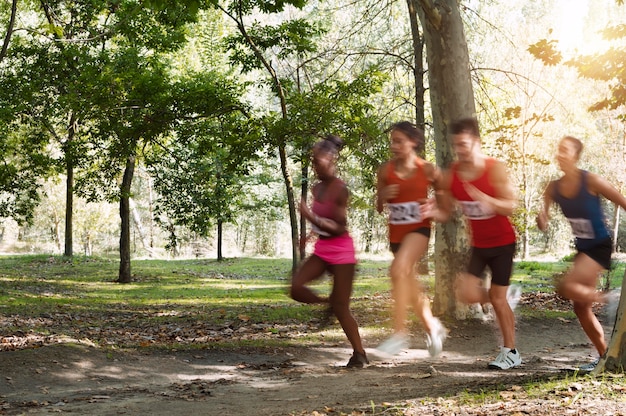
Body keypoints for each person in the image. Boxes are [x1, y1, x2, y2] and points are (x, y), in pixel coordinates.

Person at [426, 117, 522, 370]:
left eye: (465, 144)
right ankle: (504, 296)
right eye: (457, 146)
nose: (460, 150)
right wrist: (429, 211)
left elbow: (511, 205)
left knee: (498, 301)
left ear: (477, 142)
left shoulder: (494, 168)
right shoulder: (453, 176)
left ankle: (510, 352)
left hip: (503, 243)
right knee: (466, 294)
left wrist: (489, 200)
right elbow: (445, 213)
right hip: (479, 245)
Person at [536, 135, 626, 371]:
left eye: (566, 150)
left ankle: (609, 299)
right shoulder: (553, 188)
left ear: (575, 156)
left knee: (565, 285)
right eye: (559, 149)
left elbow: (622, 201)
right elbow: (543, 217)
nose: (560, 154)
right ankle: (605, 357)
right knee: (580, 307)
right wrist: (542, 219)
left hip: (599, 245)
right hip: (583, 248)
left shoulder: (591, 181)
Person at [290, 134, 368, 368]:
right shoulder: (316, 188)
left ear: (332, 160)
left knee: (342, 307)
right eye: (314, 162)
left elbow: (338, 226)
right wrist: (309, 236)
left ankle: (360, 354)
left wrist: (310, 217)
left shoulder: (340, 189)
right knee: (296, 287)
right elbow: (322, 222)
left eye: (320, 162)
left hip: (342, 252)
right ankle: (328, 303)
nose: (316, 166)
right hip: (323, 250)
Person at [375, 121, 448, 358]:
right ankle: (432, 327)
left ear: (413, 142)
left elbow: (447, 204)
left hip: (419, 230)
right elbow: (379, 206)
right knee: (408, 283)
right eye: (392, 141)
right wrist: (383, 196)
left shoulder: (427, 170)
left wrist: (434, 208)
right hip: (396, 234)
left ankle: (399, 334)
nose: (394, 146)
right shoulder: (385, 170)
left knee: (397, 271)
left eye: (399, 141)